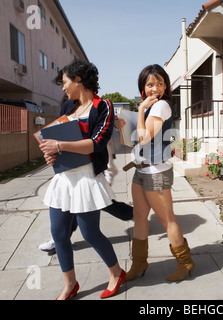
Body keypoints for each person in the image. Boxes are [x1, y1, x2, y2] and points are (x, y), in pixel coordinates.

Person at [40, 60, 126, 300]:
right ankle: (70, 284)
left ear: (78, 79)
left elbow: (97, 143)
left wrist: (59, 145)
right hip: (63, 179)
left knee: (90, 234)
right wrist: (52, 153)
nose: (63, 88)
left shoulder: (103, 106)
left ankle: (117, 273)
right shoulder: (67, 106)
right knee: (58, 234)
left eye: (65, 82)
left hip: (86, 178)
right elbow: (58, 138)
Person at [121, 64, 194, 282]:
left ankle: (185, 262)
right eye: (150, 84)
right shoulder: (152, 108)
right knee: (139, 217)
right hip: (141, 169)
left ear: (165, 87)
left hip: (157, 172)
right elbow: (135, 137)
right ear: (143, 86)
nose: (155, 88)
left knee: (167, 220)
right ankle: (139, 263)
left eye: (159, 83)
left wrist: (141, 110)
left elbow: (143, 138)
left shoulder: (161, 106)